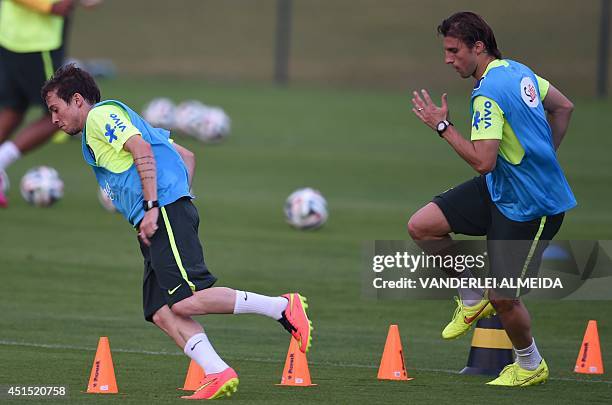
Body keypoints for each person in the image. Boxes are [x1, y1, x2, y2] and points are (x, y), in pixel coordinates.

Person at [41, 65, 313, 400]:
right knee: (160, 310)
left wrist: (159, 205)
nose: (53, 119)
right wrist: (173, 202)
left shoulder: (101, 116)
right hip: (161, 215)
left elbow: (140, 150)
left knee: (186, 300)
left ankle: (281, 307)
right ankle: (217, 371)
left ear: (78, 100)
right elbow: (186, 155)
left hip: (162, 212)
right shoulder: (116, 123)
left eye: (55, 109)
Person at [408, 12, 575, 386]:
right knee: (422, 227)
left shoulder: (487, 93)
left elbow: (483, 162)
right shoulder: (519, 71)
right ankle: (470, 296)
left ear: (478, 47)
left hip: (533, 205)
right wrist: (543, 155)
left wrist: (442, 126)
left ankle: (530, 365)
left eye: (454, 51)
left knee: (504, 298)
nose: (448, 59)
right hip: (503, 187)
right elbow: (564, 107)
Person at [0, 0, 76, 207]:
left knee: (14, 108)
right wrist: (48, 6)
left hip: (12, 36)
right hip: (37, 41)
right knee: (61, 114)